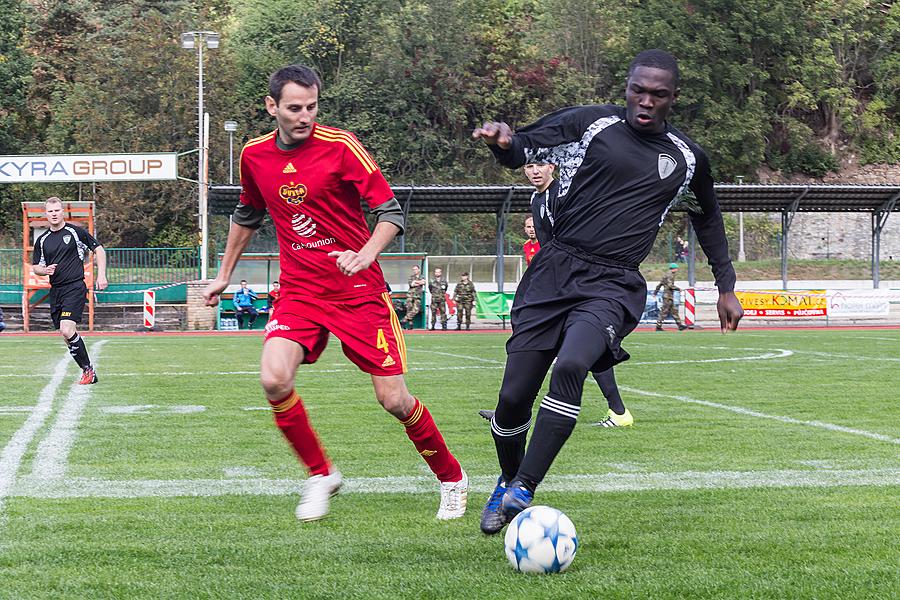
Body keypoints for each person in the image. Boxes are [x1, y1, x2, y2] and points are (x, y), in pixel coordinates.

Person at [472, 49, 743, 534]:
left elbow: (708, 216)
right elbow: (525, 147)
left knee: (574, 363)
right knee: (513, 399)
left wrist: (726, 285)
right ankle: (509, 479)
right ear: (627, 87)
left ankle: (525, 487)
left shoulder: (686, 157)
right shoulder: (590, 123)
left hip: (613, 282)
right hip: (554, 272)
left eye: (658, 95)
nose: (646, 101)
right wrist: (502, 142)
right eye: (638, 90)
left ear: (673, 99)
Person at [202, 64, 467, 522]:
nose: (304, 116)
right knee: (273, 378)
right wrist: (224, 274)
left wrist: (365, 253)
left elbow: (391, 213)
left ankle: (451, 478)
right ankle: (320, 473)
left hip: (359, 292)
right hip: (300, 292)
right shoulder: (254, 156)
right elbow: (247, 216)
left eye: (312, 107)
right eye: (294, 108)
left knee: (394, 400)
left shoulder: (341, 147)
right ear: (272, 107)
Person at [479, 162, 635, 428]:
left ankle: (512, 411)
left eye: (540, 164)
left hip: (569, 281)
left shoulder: (562, 193)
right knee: (554, 345)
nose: (534, 170)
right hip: (553, 278)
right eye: (529, 165)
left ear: (552, 166)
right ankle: (618, 412)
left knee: (537, 342)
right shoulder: (537, 197)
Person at [31, 196, 108, 384]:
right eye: (50, 211)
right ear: (46, 214)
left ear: (62, 211)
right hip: (56, 291)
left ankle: (88, 370)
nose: (54, 214)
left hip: (74, 286)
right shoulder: (42, 240)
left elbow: (99, 250)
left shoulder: (75, 232)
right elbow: (36, 267)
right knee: (66, 335)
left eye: (57, 210)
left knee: (67, 330)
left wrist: (101, 275)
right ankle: (88, 371)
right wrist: (45, 270)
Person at [654, 263, 687, 331]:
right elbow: (670, 285)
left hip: (668, 296)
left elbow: (659, 284)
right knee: (664, 311)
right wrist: (678, 289)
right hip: (667, 296)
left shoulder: (666, 275)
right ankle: (658, 326)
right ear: (674, 269)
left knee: (674, 311)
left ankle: (679, 325)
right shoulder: (670, 275)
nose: (677, 270)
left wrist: (655, 292)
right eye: (676, 268)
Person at [402, 264, 425, 329]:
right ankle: (410, 324)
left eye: (416, 269)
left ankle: (404, 320)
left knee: (416, 310)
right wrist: (418, 282)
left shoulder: (422, 276)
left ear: (419, 270)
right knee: (409, 309)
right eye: (413, 269)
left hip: (417, 296)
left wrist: (416, 282)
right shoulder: (411, 277)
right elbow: (411, 284)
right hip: (410, 295)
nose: (414, 271)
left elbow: (423, 282)